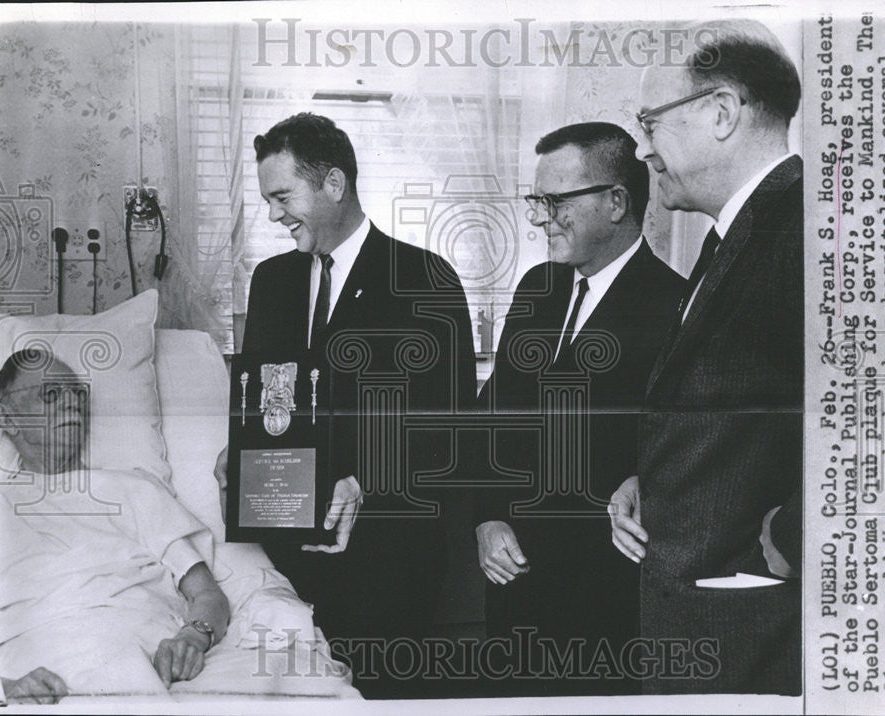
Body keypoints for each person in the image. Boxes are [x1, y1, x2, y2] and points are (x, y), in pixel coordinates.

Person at [222, 112, 477, 698]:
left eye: (283, 196)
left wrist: (366, 481)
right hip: (287, 555)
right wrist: (234, 453)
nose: (273, 215)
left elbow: (450, 424)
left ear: (333, 184)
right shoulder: (272, 281)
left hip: (386, 556)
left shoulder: (426, 280)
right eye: (266, 199)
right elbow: (264, 403)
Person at [608, 19, 803, 694]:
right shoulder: (734, 234)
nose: (641, 150)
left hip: (753, 634)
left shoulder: (808, 227)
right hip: (704, 628)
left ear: (721, 113)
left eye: (650, 123)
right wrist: (654, 486)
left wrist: (781, 547)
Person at [474, 122, 684, 695]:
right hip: (512, 589)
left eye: (556, 201)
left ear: (617, 201)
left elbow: (684, 456)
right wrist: (486, 517)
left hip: (608, 608)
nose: (540, 217)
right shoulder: (536, 289)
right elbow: (489, 422)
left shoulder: (677, 309)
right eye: (536, 201)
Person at [0, 348, 229, 701]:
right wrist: (2, 687)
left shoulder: (135, 489)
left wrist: (194, 636)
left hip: (146, 659)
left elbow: (208, 595)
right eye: (52, 394)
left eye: (77, 393)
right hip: (36, 674)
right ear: (8, 418)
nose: (72, 403)